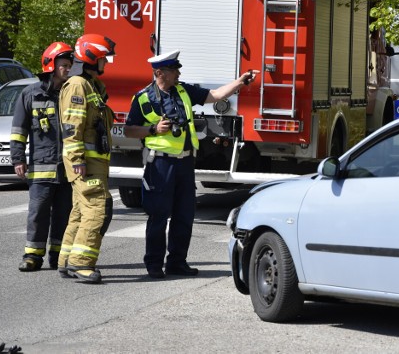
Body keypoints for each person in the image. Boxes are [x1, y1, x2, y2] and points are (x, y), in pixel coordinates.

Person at [124, 50, 257, 279]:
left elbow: (215, 95)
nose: (178, 73)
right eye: (174, 69)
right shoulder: (143, 97)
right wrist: (153, 129)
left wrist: (239, 82)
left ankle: (177, 262)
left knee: (184, 215)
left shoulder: (184, 90)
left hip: (185, 162)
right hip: (160, 164)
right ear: (159, 73)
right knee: (158, 215)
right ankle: (154, 264)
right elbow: (128, 130)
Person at [57, 33, 116, 284]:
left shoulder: (90, 85)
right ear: (92, 57)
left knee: (81, 211)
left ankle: (66, 260)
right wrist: (78, 159)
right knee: (96, 210)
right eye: (104, 58)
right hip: (85, 163)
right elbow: (72, 127)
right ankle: (82, 264)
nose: (106, 63)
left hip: (92, 162)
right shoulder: (78, 86)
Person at [11, 42, 74, 272]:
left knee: (63, 214)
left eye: (69, 65)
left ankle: (58, 255)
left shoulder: (71, 93)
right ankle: (32, 256)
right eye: (63, 65)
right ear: (51, 65)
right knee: (37, 213)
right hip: (41, 166)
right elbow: (19, 129)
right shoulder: (31, 94)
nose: (67, 69)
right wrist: (18, 158)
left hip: (67, 167)